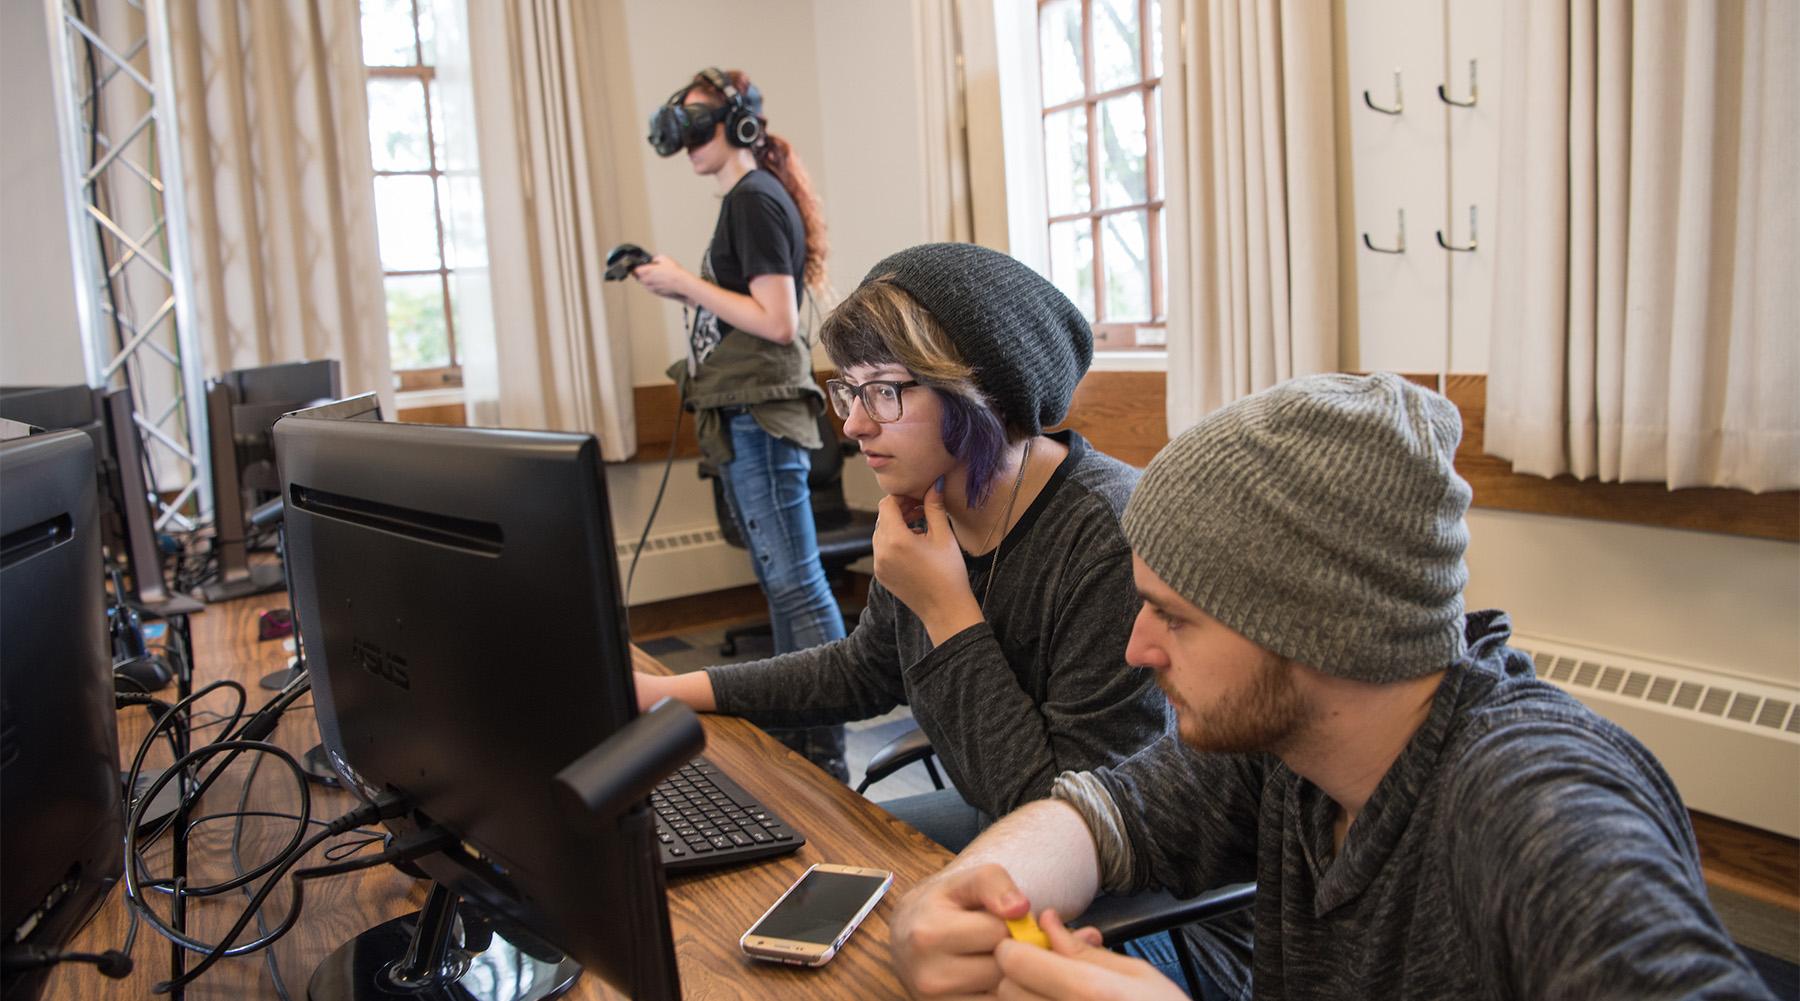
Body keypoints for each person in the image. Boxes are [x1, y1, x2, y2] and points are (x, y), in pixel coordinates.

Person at [889, 373, 1772, 1000]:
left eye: (1176, 615)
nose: (1137, 648)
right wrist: (964, 892)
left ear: (1315, 626)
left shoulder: (1537, 806)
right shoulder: (1293, 743)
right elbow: (1099, 815)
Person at [635, 243, 1172, 852]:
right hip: (995, 814)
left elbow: (1069, 824)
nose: (854, 425)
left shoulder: (1108, 537)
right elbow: (865, 670)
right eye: (851, 391)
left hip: (1104, 878)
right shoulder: (933, 500)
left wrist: (945, 607)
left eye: (885, 391)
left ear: (984, 395)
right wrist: (672, 692)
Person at [632, 67, 848, 779]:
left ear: (739, 125)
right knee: (784, 581)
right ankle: (804, 741)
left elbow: (779, 321)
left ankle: (827, 756)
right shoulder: (746, 201)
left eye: (700, 122)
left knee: (798, 583)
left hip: (761, 416)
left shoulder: (754, 200)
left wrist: (683, 284)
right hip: (744, 414)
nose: (688, 140)